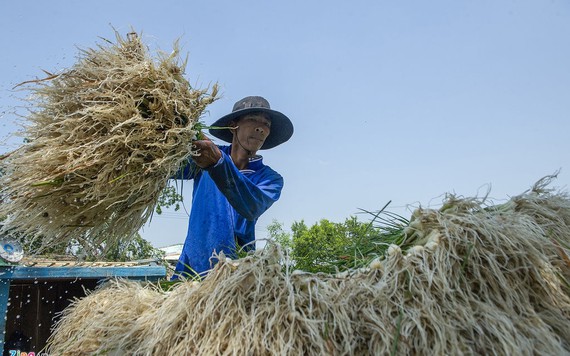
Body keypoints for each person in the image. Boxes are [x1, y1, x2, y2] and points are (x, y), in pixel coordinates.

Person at [172, 96, 293, 278]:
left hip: (237, 271)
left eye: (266, 123)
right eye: (252, 119)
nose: (260, 128)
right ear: (232, 126)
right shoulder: (204, 153)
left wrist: (219, 164)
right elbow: (168, 168)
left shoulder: (270, 179)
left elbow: (252, 206)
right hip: (191, 267)